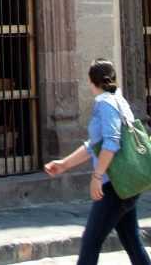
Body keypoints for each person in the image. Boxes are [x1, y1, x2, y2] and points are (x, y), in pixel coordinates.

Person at [45, 59, 150, 265]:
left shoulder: (105, 104)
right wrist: (65, 164)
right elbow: (94, 145)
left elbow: (111, 142)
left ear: (91, 81)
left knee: (91, 241)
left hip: (114, 185)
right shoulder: (118, 100)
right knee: (131, 240)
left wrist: (97, 176)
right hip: (127, 182)